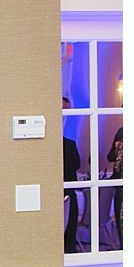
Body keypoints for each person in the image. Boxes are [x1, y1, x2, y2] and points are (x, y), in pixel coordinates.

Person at [62, 97, 81, 253]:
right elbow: (77, 165)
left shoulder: (69, 143)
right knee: (71, 219)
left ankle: (68, 247)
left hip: (67, 187)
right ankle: (70, 247)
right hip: (69, 187)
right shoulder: (70, 144)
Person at [107, 126, 123, 246]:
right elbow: (110, 157)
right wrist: (116, 149)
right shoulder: (121, 132)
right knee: (120, 216)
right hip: (119, 184)